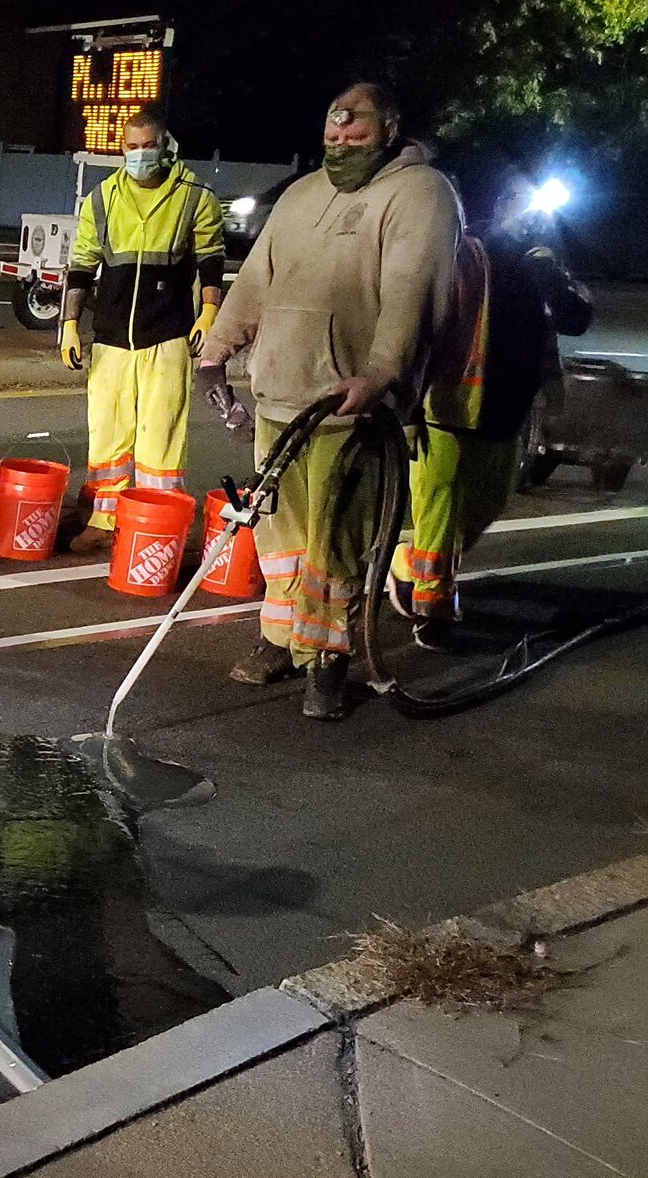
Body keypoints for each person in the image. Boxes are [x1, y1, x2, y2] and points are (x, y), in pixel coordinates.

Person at [197, 81, 462, 719]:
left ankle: (328, 659)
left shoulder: (419, 195)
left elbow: (411, 290)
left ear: (390, 127)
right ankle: (281, 639)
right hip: (281, 396)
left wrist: (379, 373)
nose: (341, 137)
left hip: (350, 407)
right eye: (333, 126)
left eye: (357, 127)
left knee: (336, 544)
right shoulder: (302, 194)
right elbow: (256, 280)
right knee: (280, 538)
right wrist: (215, 352)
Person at [394, 174, 593, 647]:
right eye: (515, 200)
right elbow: (417, 321)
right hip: (447, 402)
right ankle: (433, 609)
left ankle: (407, 564)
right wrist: (404, 402)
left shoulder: (539, 261)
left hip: (508, 401)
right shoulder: (458, 249)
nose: (526, 214)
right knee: (440, 508)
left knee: (486, 504)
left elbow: (576, 320)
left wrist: (548, 270)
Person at [56, 106, 227, 556]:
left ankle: (157, 524)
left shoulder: (194, 196)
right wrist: (70, 324)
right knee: (108, 434)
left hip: (168, 336)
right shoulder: (103, 198)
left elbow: (211, 261)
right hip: (111, 338)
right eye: (130, 148)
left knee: (161, 439)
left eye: (147, 147)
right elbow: (81, 265)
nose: (138, 155)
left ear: (164, 146)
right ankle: (103, 520)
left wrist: (210, 313)